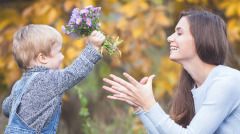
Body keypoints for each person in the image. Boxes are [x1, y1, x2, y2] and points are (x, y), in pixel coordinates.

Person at [103, 10, 240, 134]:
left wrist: (149, 104)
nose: (170, 38)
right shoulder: (194, 86)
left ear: (201, 39)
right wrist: (141, 108)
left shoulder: (227, 82)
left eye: (179, 33)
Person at [2, 24, 105, 133]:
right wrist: (93, 47)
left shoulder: (19, 84)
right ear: (42, 58)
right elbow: (74, 73)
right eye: (59, 51)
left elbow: (6, 108)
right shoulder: (48, 80)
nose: (62, 56)